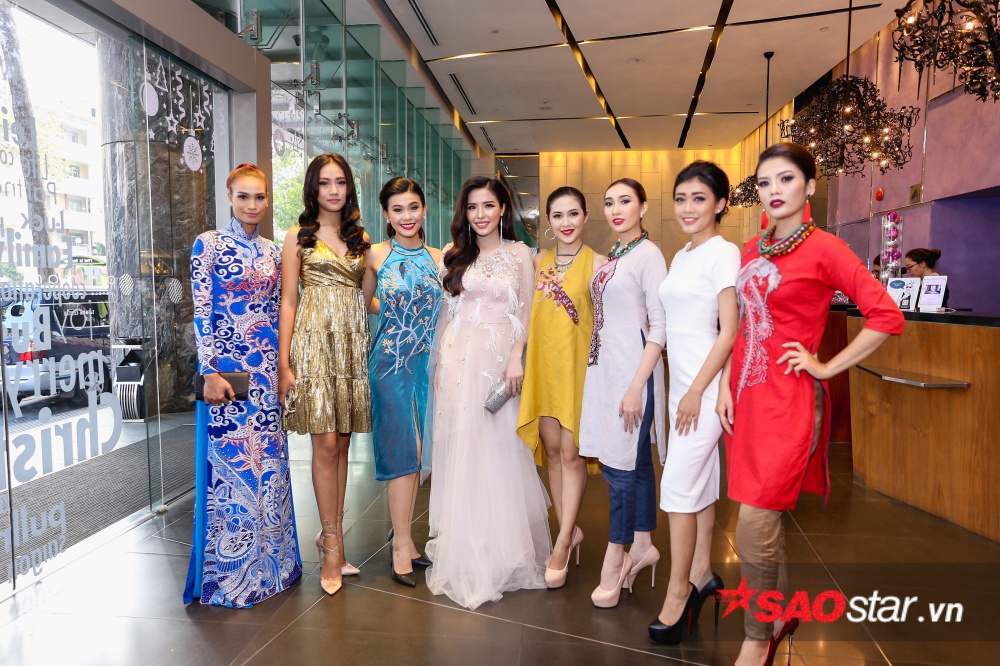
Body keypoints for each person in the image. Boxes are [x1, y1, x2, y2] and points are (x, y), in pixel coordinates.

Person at [720, 143, 904, 666]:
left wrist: (825, 367)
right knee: (762, 520)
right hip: (746, 400)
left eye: (785, 179)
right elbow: (740, 326)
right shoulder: (752, 248)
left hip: (788, 402)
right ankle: (777, 616)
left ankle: (758, 636)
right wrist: (724, 386)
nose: (773, 190)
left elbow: (886, 315)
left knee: (753, 522)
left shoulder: (827, 249)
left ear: (809, 186)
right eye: (764, 182)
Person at [425, 176, 551, 610]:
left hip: (499, 361)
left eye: (488, 206)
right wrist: (440, 364)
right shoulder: (453, 254)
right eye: (473, 207)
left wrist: (517, 357)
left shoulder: (520, 254)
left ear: (502, 210)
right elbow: (449, 312)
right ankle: (469, 543)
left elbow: (527, 311)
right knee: (463, 447)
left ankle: (502, 550)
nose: (480, 214)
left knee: (498, 448)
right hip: (459, 358)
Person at [185, 163, 302, 608]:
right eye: (243, 196)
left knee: (268, 463)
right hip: (228, 374)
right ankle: (232, 576)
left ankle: (274, 566)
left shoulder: (275, 251)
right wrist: (209, 371)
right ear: (230, 196)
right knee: (232, 466)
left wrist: (285, 367)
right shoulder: (209, 244)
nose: (252, 205)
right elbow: (201, 310)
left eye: (259, 197)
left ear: (267, 200)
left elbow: (282, 308)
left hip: (267, 370)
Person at [650, 161, 739, 644]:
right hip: (681, 385)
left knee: (677, 489)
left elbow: (728, 331)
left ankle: (678, 590)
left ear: (720, 203)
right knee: (699, 486)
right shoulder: (683, 254)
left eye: (699, 199)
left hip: (700, 389)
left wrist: (698, 390)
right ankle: (703, 573)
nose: (687, 208)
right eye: (681, 198)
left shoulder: (723, 253)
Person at [278, 154, 375, 596]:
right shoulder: (297, 236)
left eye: (340, 182)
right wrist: (284, 363)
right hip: (313, 343)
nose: (333, 190)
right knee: (326, 443)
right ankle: (332, 546)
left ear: (349, 188)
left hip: (350, 344)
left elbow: (367, 294)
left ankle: (331, 534)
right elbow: (289, 301)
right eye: (324, 182)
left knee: (344, 443)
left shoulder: (362, 239)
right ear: (313, 189)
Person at [579, 178, 667, 609]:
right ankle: (644, 544)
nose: (616, 209)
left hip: (633, 372)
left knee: (618, 465)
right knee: (636, 461)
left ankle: (616, 556)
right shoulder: (616, 254)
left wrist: (636, 387)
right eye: (609, 202)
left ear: (643, 207)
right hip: (607, 369)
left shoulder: (649, 256)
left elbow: (660, 327)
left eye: (625, 201)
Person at [517, 186, 601, 589]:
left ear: (585, 216)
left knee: (571, 454)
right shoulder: (537, 261)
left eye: (573, 213)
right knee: (552, 452)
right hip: (543, 369)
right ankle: (568, 529)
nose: (566, 222)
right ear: (548, 221)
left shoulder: (600, 264)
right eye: (558, 215)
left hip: (579, 372)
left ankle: (563, 540)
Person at [365, 177, 442, 587]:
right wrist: (397, 315)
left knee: (419, 454)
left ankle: (407, 539)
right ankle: (399, 545)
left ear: (424, 209)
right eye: (398, 209)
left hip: (428, 366)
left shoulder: (438, 258)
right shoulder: (376, 255)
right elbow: (364, 301)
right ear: (386, 214)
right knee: (403, 452)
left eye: (413, 207)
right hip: (391, 364)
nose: (407, 216)